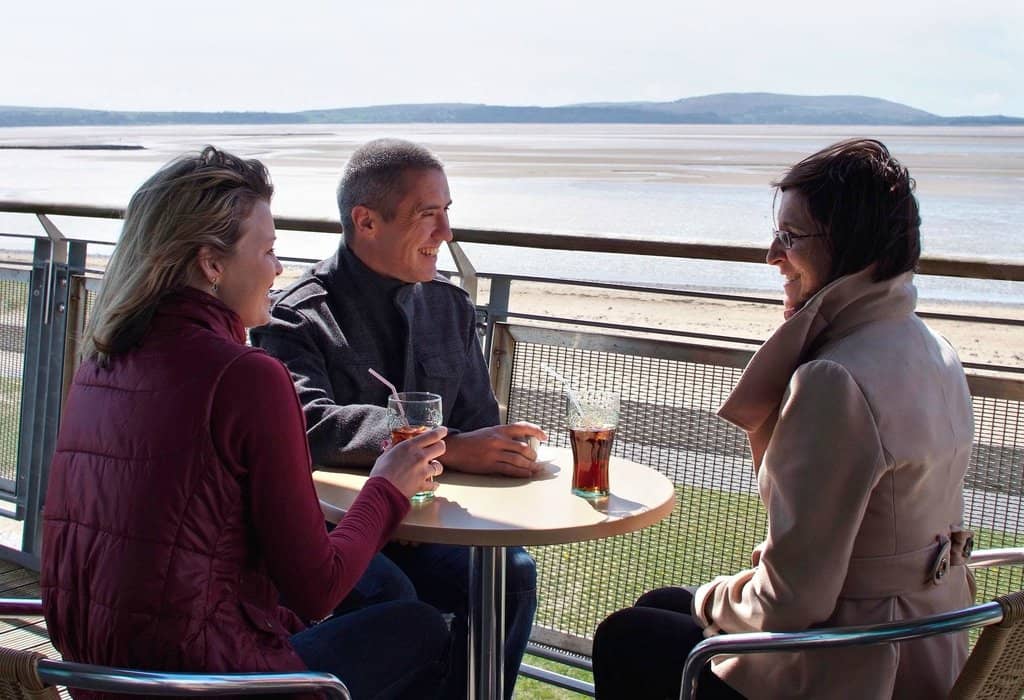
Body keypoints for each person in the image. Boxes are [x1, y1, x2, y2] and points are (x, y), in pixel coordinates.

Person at [40, 146, 453, 700]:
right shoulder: (245, 375)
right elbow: (318, 588)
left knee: (384, 595)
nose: (278, 270)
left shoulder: (101, 358)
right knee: (420, 628)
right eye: (268, 250)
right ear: (212, 264)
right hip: (201, 682)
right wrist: (388, 485)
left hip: (100, 676)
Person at [592, 139, 975, 699]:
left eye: (790, 237)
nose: (772, 254)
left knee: (629, 635)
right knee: (661, 607)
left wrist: (710, 600)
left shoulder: (836, 379)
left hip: (856, 665)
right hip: (927, 646)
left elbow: (793, 602)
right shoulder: (932, 348)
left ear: (851, 245)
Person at [250, 137, 545, 698]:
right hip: (336, 531)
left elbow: (478, 425)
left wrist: (502, 452)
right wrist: (445, 446)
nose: (446, 233)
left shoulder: (449, 306)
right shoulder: (297, 317)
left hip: (434, 526)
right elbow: (307, 424)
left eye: (447, 212)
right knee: (398, 603)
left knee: (512, 574)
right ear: (366, 221)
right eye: (427, 215)